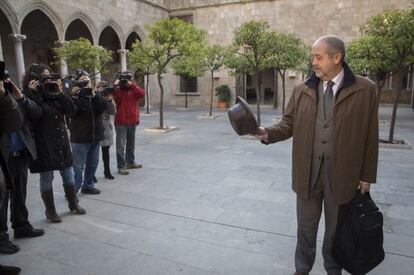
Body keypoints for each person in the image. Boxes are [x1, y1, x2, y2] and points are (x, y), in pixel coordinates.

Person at [255, 35, 379, 275]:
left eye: (318, 57)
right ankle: (302, 269)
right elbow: (288, 123)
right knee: (305, 229)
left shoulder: (365, 90)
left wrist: (367, 176)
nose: (313, 62)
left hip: (343, 176)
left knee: (336, 231)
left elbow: (370, 136)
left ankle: (334, 270)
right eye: (312, 56)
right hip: (307, 174)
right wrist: (265, 132)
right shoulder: (303, 89)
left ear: (337, 57)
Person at [26, 64, 86, 223]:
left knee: (68, 173)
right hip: (43, 143)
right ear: (35, 79)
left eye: (50, 77)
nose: (49, 80)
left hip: (61, 141)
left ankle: (73, 204)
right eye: (44, 77)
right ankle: (50, 211)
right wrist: (33, 95)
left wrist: (60, 93)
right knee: (47, 177)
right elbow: (35, 115)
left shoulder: (54, 92)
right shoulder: (30, 95)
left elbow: (71, 111)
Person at [0, 74, 44, 255]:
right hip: (4, 157)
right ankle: (1, 238)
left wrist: (20, 97)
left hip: (21, 154)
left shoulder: (16, 96)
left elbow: (36, 114)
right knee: (2, 199)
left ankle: (21, 225)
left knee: (20, 193)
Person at [69, 70, 108, 194]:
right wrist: (74, 97)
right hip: (80, 137)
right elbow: (71, 113)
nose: (85, 82)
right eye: (83, 80)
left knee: (92, 164)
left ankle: (88, 186)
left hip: (95, 136)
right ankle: (74, 189)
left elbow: (102, 108)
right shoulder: (74, 96)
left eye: (87, 80)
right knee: (78, 166)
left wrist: (94, 94)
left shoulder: (94, 95)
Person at [0, 75, 23, 275]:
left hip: (13, 153)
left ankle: (19, 225)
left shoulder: (8, 97)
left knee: (11, 196)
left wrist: (8, 96)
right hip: (6, 155)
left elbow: (15, 122)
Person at [113, 71, 145, 175]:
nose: (125, 82)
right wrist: (117, 86)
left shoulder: (133, 89)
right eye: (124, 79)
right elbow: (117, 100)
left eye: (127, 79)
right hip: (121, 122)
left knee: (131, 144)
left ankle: (130, 162)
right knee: (120, 146)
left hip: (132, 120)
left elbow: (142, 94)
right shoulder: (118, 90)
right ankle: (121, 166)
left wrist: (133, 85)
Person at [97, 81, 116, 180]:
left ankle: (107, 171)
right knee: (93, 153)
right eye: (101, 87)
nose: (103, 90)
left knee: (106, 152)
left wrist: (109, 100)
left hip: (106, 128)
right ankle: (91, 174)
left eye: (105, 88)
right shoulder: (93, 96)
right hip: (95, 127)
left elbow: (113, 112)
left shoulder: (108, 98)